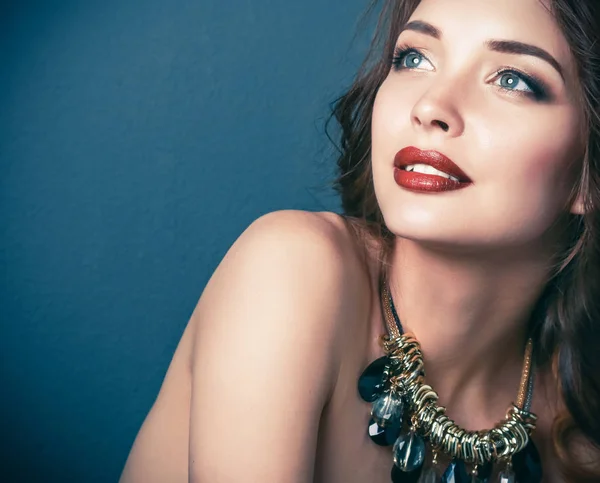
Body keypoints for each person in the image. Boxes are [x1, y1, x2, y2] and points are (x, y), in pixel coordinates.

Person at [119, 0, 600, 481]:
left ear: (589, 175)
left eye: (512, 79)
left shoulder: (575, 433)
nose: (431, 106)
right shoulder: (292, 269)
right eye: (414, 57)